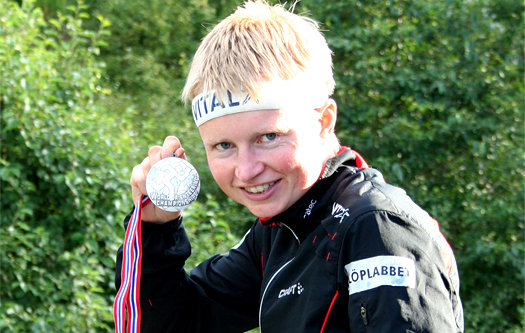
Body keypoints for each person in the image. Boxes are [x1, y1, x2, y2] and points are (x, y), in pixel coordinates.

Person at [115, 1, 464, 332]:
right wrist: (155, 230)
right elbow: (176, 324)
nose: (247, 170)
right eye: (224, 146)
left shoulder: (376, 229)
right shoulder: (280, 231)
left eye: (268, 137)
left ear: (323, 123)